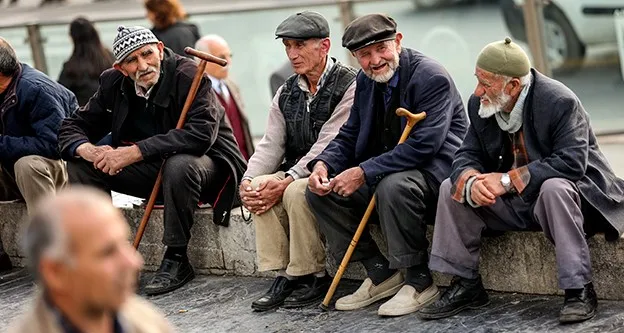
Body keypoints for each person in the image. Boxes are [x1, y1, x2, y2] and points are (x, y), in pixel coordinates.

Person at [418, 37, 624, 324]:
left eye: (486, 84)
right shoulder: (482, 103)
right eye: (477, 81)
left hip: (567, 201)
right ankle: (465, 284)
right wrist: (472, 181)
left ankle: (578, 289)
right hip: (514, 204)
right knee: (452, 187)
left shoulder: (559, 101)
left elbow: (572, 163)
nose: (478, 91)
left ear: (513, 85)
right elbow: (466, 154)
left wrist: (505, 181)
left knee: (555, 188)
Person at [58, 25, 246, 296]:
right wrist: (88, 150)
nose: (143, 65)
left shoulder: (189, 75)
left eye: (147, 54)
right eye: (132, 61)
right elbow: (72, 126)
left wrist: (135, 152)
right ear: (121, 68)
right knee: (80, 164)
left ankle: (176, 258)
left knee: (179, 164)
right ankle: (106, 254)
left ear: (159, 48)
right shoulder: (113, 83)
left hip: (209, 167)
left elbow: (200, 136)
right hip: (154, 168)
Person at [305, 13, 468, 317]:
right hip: (389, 170)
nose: (375, 60)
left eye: (381, 48)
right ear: (355, 57)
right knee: (317, 192)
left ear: (398, 41)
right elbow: (351, 133)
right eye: (364, 54)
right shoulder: (366, 82)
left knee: (392, 185)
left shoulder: (430, 77)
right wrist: (323, 164)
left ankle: (419, 280)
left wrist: (364, 171)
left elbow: (425, 147)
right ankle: (381, 273)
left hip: (436, 176)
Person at [241, 11, 357, 312]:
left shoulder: (350, 85)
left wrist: (289, 178)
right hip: (297, 170)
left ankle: (313, 274)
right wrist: (246, 180)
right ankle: (285, 274)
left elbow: (328, 144)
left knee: (294, 190)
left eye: (300, 45)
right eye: (288, 46)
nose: (292, 54)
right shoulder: (286, 90)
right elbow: (270, 145)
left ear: (325, 46)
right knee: (259, 185)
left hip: (335, 170)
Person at [8, 186, 174, 333]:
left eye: (124, 244)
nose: (134, 262)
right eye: (107, 252)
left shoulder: (147, 321)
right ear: (55, 272)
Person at [0, 38, 77, 272]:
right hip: (12, 172)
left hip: (55, 171)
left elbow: (55, 145)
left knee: (28, 164)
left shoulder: (37, 90)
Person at [195, 35, 254, 161]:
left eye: (229, 56)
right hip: (222, 168)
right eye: (222, 57)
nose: (228, 62)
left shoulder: (232, 86)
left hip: (245, 165)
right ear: (203, 59)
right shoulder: (196, 92)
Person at [58, 17, 115, 106]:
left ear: (73, 38)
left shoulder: (71, 68)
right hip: (113, 111)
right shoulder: (110, 59)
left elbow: (61, 95)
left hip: (87, 115)